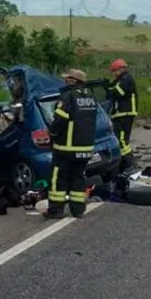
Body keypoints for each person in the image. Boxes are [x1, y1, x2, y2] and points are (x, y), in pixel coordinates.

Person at [45, 69, 97, 220]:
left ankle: (55, 210)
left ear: (73, 81)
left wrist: (52, 134)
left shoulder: (67, 97)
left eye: (67, 79)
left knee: (58, 178)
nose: (65, 81)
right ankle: (78, 210)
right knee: (78, 177)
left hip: (66, 147)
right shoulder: (91, 98)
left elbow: (60, 120)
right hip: (86, 148)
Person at [107, 58, 139, 172]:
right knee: (121, 139)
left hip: (125, 113)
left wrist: (109, 90)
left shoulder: (125, 78)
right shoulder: (120, 79)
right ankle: (125, 163)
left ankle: (130, 163)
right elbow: (112, 88)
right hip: (121, 114)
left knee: (122, 140)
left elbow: (119, 92)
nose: (114, 74)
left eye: (114, 71)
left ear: (121, 69)